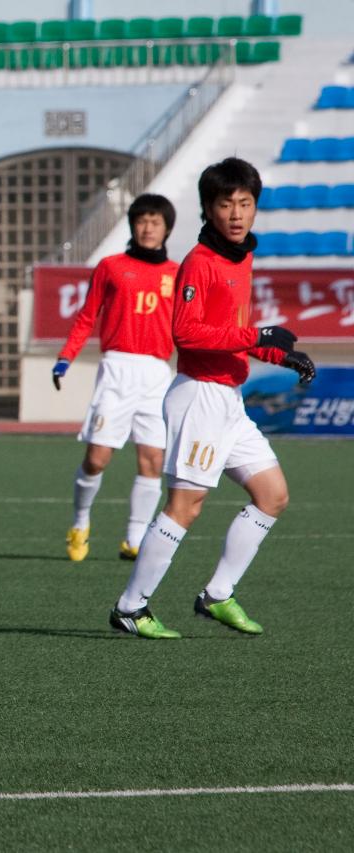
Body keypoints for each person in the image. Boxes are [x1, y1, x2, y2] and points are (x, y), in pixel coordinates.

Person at [109, 157, 316, 639]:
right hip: (198, 397)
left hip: (229, 400)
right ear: (208, 209)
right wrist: (257, 332)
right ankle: (131, 607)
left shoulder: (241, 257)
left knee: (273, 496)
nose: (237, 213)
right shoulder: (200, 263)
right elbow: (188, 333)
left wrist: (284, 356)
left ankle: (218, 595)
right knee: (186, 506)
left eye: (246, 203)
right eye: (226, 204)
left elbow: (235, 335)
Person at [53, 194, 179, 562]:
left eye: (156, 221)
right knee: (97, 458)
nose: (148, 228)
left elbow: (186, 328)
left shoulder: (176, 273)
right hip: (118, 369)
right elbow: (86, 317)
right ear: (132, 225)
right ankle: (80, 521)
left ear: (166, 228)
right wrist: (65, 358)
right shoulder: (111, 266)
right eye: (142, 220)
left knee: (152, 459)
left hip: (157, 371)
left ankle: (135, 539)